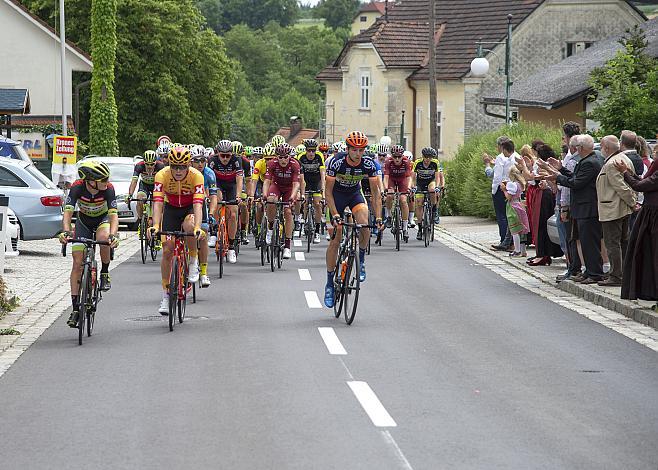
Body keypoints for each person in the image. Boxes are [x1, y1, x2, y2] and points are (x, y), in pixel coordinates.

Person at [323, 131, 382, 308]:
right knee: (336, 235)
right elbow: (327, 192)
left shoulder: (369, 164)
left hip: (355, 195)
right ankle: (329, 283)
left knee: (364, 222)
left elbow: (376, 194)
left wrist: (378, 217)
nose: (358, 153)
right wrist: (334, 214)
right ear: (348, 149)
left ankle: (361, 260)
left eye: (361, 150)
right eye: (354, 150)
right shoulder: (336, 162)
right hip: (336, 197)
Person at [59, 161, 119, 327]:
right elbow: (68, 212)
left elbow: (114, 216)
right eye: (103, 179)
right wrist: (66, 231)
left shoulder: (109, 189)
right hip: (83, 222)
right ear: (91, 181)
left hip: (102, 220)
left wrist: (114, 235)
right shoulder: (77, 187)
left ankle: (105, 272)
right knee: (77, 263)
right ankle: (76, 308)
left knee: (104, 237)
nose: (106, 182)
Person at [148, 146, 206, 314]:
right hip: (171, 209)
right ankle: (166, 296)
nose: (178, 170)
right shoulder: (162, 175)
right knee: (167, 250)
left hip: (189, 208)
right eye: (175, 166)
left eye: (182, 167)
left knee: (189, 226)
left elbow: (198, 205)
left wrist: (197, 228)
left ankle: (193, 261)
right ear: (169, 164)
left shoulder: (197, 176)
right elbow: (158, 203)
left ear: (189, 165)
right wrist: (156, 225)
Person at [543, 135, 604, 284]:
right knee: (584, 241)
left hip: (588, 209)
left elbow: (576, 183)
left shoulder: (590, 162)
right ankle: (589, 271)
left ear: (581, 148)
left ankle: (594, 272)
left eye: (577, 147)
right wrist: (562, 170)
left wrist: (557, 176)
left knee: (590, 242)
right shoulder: (587, 160)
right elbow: (575, 177)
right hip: (583, 208)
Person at [614, 157, 658, 310]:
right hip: (651, 216)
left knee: (651, 255)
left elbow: (639, 185)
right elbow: (644, 181)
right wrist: (629, 172)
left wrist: (625, 172)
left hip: (653, 217)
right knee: (648, 256)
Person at [594, 135, 637, 287]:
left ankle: (616, 275)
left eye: (601, 146)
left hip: (613, 208)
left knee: (612, 243)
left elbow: (621, 187)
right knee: (622, 242)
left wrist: (632, 203)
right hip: (621, 208)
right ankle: (623, 273)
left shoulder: (613, 163)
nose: (600, 149)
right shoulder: (624, 159)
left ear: (606, 148)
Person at [262, 143, 301, 259]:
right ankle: (270, 227)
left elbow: (296, 184)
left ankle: (287, 247)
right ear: (276, 157)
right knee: (270, 200)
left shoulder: (295, 164)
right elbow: (267, 181)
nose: (283, 160)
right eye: (280, 157)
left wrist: (293, 196)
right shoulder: (272, 164)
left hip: (289, 188)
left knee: (288, 212)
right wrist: (264, 194)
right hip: (277, 186)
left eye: (285, 157)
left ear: (289, 156)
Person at [208, 140, 244, 264]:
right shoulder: (212, 160)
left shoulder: (236, 160)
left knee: (233, 214)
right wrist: (209, 194)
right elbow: (209, 179)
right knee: (216, 201)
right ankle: (214, 231)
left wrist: (238, 196)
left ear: (231, 154)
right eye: (222, 155)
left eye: (227, 155)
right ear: (217, 153)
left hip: (231, 185)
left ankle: (232, 247)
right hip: (217, 184)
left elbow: (239, 180)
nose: (224, 158)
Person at [483, 137, 518, 251]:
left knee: (502, 216)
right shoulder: (515, 156)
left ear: (501, 147)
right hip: (512, 187)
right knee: (510, 216)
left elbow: (496, 176)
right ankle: (510, 242)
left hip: (501, 188)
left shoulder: (500, 157)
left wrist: (487, 164)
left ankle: (504, 241)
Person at [191, 149, 218, 287]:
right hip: (185, 204)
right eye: (196, 160)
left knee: (203, 233)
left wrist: (212, 213)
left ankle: (203, 272)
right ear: (191, 161)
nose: (200, 163)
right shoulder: (185, 172)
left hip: (200, 204)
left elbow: (213, 196)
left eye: (203, 160)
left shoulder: (209, 173)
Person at [126, 150, 165, 231]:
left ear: (155, 162)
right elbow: (134, 181)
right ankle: (140, 220)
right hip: (144, 185)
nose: (149, 166)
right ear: (144, 162)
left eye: (152, 164)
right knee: (139, 198)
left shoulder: (160, 166)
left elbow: (164, 182)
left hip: (156, 186)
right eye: (147, 164)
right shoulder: (139, 166)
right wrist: (130, 195)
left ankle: (158, 226)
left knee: (158, 204)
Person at [297, 139, 326, 243]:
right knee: (304, 202)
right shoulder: (301, 157)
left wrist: (323, 191)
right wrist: (301, 191)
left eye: (313, 151)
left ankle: (317, 231)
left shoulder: (319, 157)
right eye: (309, 151)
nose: (311, 153)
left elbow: (323, 175)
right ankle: (304, 221)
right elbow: (300, 177)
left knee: (317, 204)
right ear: (306, 150)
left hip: (316, 181)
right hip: (305, 180)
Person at [412, 147, 443, 240]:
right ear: (423, 156)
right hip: (420, 183)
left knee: (432, 190)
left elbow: (437, 177)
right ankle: (420, 229)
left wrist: (437, 186)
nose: (428, 159)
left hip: (431, 181)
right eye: (426, 157)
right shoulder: (417, 163)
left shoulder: (435, 163)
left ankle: (434, 209)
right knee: (419, 203)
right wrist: (413, 186)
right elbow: (412, 176)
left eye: (430, 157)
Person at [383, 144, 412, 241]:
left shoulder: (406, 162)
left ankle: (404, 228)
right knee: (390, 195)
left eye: (399, 156)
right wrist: (385, 189)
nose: (397, 159)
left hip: (402, 180)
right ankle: (389, 216)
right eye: (395, 156)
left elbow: (409, 177)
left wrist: (408, 188)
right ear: (392, 156)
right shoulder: (388, 162)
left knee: (403, 201)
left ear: (402, 156)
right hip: (392, 179)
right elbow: (386, 177)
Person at [500, 171, 529, 257]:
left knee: (514, 230)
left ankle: (517, 250)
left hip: (513, 206)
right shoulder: (520, 184)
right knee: (522, 230)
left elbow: (509, 197)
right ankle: (523, 251)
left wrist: (504, 190)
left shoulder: (512, 184)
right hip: (520, 205)